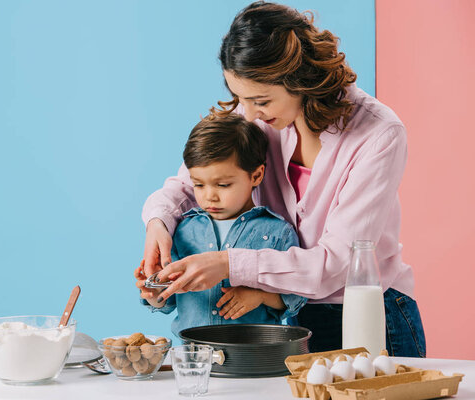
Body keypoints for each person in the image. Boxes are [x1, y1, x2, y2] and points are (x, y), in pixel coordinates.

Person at [141, 1, 426, 357]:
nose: (248, 113)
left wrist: (228, 263)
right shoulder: (257, 117)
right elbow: (186, 185)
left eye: (260, 100)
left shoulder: (379, 134)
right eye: (239, 98)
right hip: (287, 317)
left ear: (299, 80)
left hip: (367, 316)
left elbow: (336, 264)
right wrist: (158, 224)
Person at [135, 114, 307, 336]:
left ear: (256, 175)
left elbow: (297, 295)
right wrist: (154, 292)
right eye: (198, 184)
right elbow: (167, 302)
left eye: (223, 185)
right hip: (194, 359)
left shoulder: (277, 233)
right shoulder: (183, 231)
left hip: (255, 359)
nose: (209, 197)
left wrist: (261, 296)